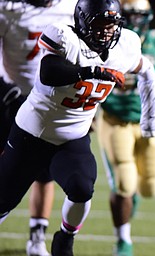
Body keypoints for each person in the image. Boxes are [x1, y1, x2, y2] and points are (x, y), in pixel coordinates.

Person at [0, 0, 155, 254]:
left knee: (82, 189)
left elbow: (147, 70)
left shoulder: (125, 47)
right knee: (4, 199)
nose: (105, 31)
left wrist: (152, 120)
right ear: (82, 21)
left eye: (111, 25)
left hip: (73, 137)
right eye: (99, 24)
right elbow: (49, 72)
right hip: (32, 134)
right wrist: (92, 71)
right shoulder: (64, 36)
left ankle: (65, 236)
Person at [95, 0, 155, 255]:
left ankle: (131, 195)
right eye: (129, 15)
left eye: (139, 15)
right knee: (123, 183)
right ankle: (123, 240)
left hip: (149, 123)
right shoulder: (103, 39)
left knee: (149, 187)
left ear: (148, 16)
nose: (133, 21)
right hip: (115, 119)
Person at [0, 0, 77, 255]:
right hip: (11, 98)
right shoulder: (8, 9)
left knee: (45, 174)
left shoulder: (72, 6)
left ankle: (36, 237)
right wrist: (4, 88)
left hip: (48, 104)